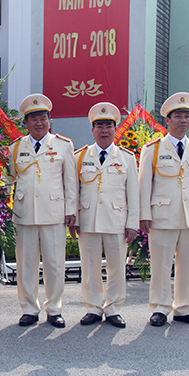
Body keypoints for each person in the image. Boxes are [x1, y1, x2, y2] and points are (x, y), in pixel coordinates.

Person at [139, 92, 189, 327]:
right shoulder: (152, 149)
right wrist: (144, 215)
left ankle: (184, 308)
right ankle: (160, 308)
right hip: (162, 216)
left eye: (187, 116)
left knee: (188, 265)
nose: (183, 121)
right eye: (178, 116)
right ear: (167, 121)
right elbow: (145, 186)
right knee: (160, 265)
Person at [8, 93, 77, 328]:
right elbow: (8, 180)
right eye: (33, 118)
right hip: (24, 213)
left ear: (50, 121)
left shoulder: (63, 145)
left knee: (55, 264)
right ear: (25, 123)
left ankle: (54, 308)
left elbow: (71, 182)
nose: (39, 123)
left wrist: (71, 210)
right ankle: (29, 308)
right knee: (26, 264)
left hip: (54, 212)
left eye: (43, 118)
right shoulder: (15, 147)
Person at [70, 102, 139, 328]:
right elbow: (74, 192)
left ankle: (113, 309)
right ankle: (93, 307)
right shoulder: (80, 156)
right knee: (89, 267)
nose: (104, 130)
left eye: (109, 125)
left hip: (117, 221)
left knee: (117, 267)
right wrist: (74, 220)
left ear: (115, 129)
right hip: (88, 220)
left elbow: (133, 195)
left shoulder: (127, 158)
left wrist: (132, 224)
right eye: (99, 126)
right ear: (92, 130)